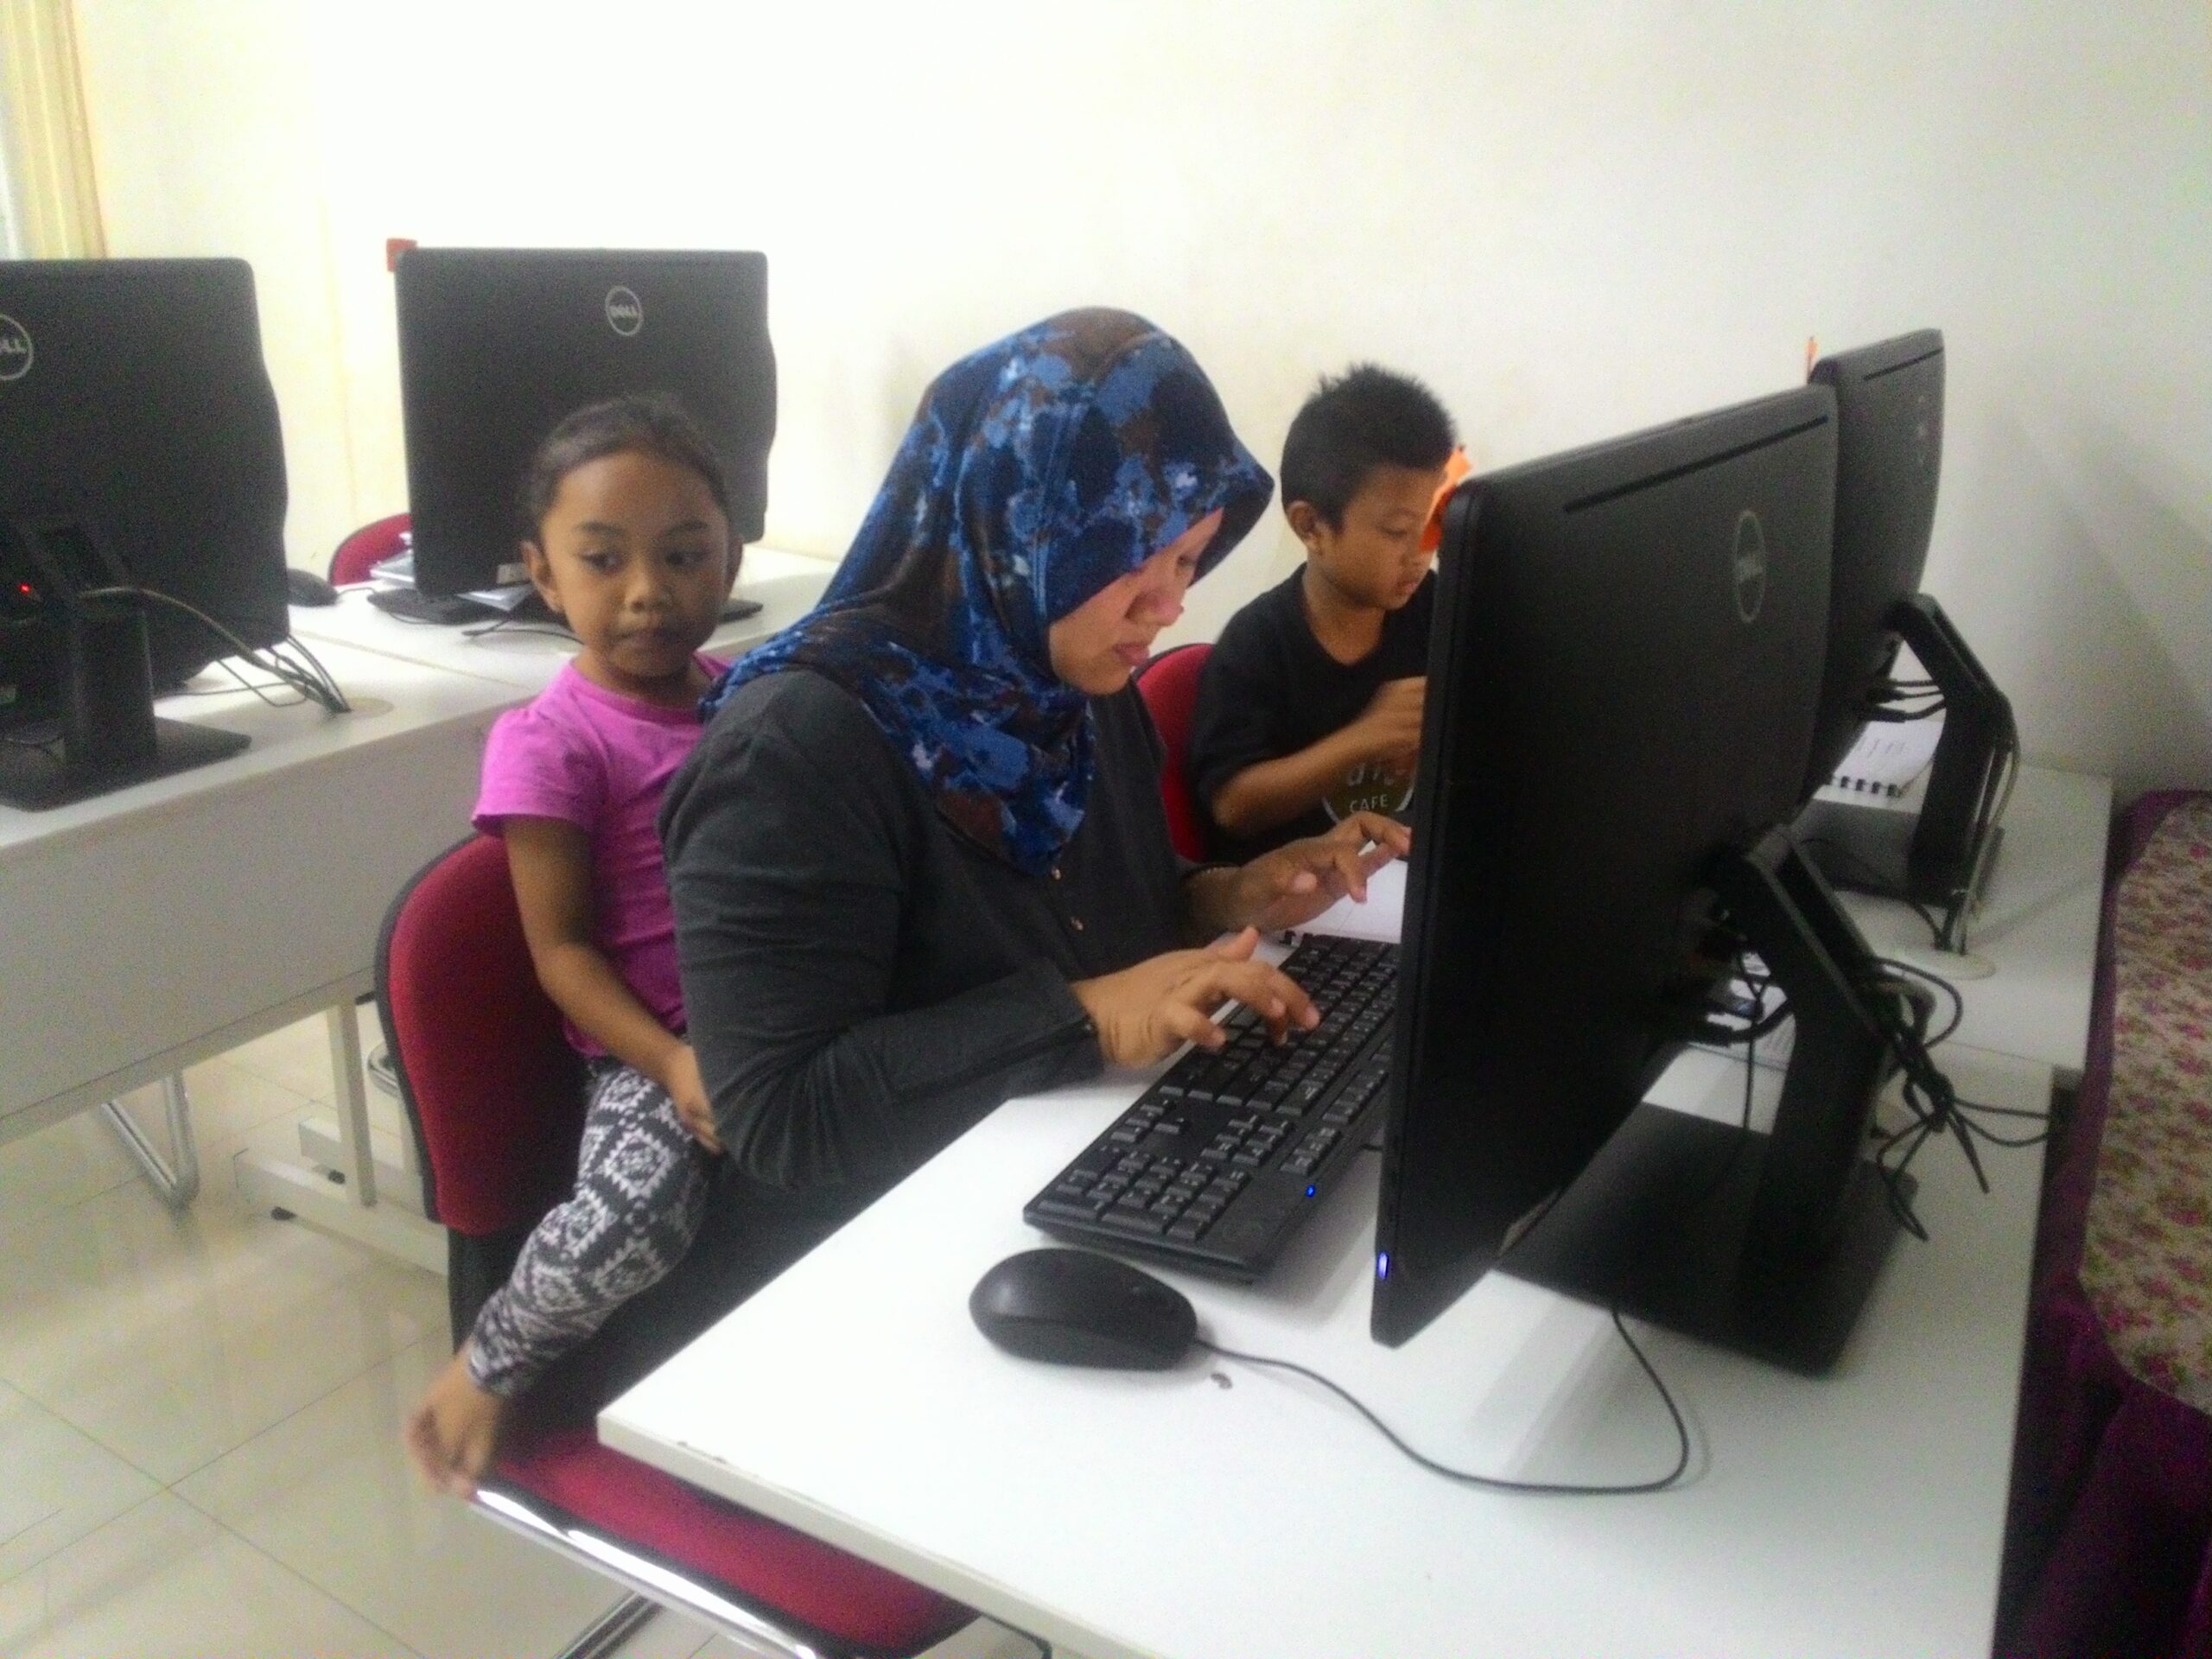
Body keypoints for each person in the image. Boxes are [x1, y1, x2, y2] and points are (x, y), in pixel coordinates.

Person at [662, 308, 1408, 1234]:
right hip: (884, 1230)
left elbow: (1090, 908)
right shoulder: (791, 751)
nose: (1169, 607)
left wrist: (1231, 896)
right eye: (1133, 561)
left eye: (1187, 561)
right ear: (1027, 530)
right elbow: (780, 1114)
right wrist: (1086, 1017)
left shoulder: (1063, 678)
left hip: (1076, 1153)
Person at [404, 394, 740, 1497]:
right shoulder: (548, 742)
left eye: (684, 555)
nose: (648, 591)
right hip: (652, 1049)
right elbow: (562, 957)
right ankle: (491, 1361)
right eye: (603, 560)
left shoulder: (746, 699)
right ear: (544, 576)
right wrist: (672, 1063)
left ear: (731, 556)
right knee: (641, 1212)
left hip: (773, 1011)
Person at [1186, 365, 1460, 861]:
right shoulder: (1256, 646)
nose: (1422, 551)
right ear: (1311, 526)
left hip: (1407, 875)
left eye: (1435, 522)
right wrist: (1365, 739)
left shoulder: (1436, 609)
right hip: (1300, 893)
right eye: (1398, 531)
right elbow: (1232, 805)